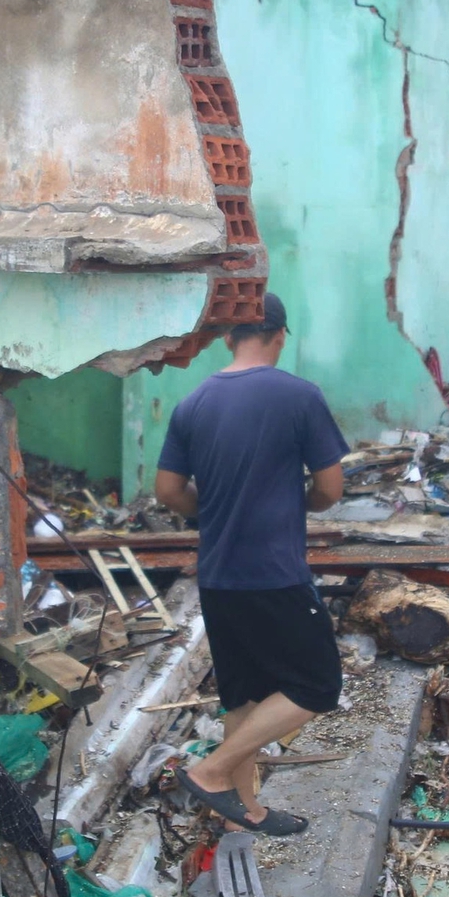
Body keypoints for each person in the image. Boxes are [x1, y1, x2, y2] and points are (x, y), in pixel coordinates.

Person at [154, 293, 349, 836]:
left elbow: (168, 489)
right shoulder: (299, 396)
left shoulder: (192, 404)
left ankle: (244, 815)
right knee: (316, 685)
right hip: (275, 574)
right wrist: (300, 503)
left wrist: (210, 512)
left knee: (244, 696)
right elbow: (331, 489)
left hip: (219, 576)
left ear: (227, 337)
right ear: (280, 335)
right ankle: (211, 771)